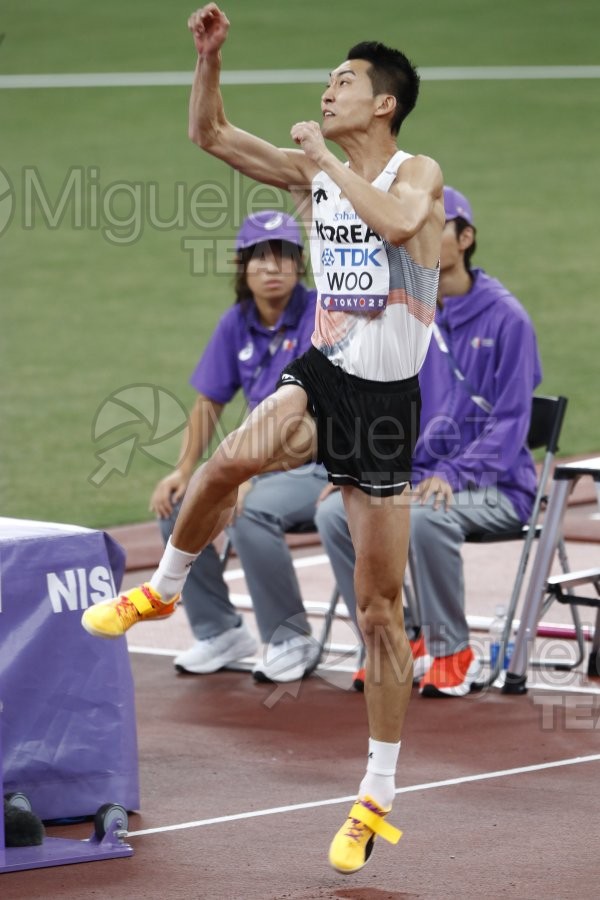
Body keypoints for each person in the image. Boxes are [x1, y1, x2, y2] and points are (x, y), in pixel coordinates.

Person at [82, 3, 444, 875]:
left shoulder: (416, 170)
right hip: (325, 376)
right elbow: (209, 134)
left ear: (384, 103)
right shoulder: (310, 172)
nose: (328, 90)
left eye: (344, 82)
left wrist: (321, 164)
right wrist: (210, 58)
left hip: (389, 407)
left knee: (379, 613)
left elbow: (396, 227)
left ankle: (376, 794)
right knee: (226, 462)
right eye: (328, 82)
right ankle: (164, 589)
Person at [315, 184, 542, 698]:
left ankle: (452, 649)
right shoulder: (405, 311)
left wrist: (451, 475)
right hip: (414, 480)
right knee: (336, 513)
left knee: (424, 516)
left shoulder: (509, 320)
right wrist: (356, 466)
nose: (420, 239)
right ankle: (395, 639)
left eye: (435, 228)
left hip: (498, 486)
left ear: (465, 238)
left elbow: (510, 423)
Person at [151, 210, 328, 683]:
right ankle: (220, 630)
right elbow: (209, 401)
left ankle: (291, 637)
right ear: (242, 265)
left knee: (252, 510)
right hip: (259, 466)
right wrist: (184, 469)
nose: (273, 268)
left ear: (300, 264)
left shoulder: (321, 315)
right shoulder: (237, 322)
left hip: (324, 464)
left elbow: (309, 423)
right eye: (261, 258)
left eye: (285, 257)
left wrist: (249, 477)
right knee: (177, 505)